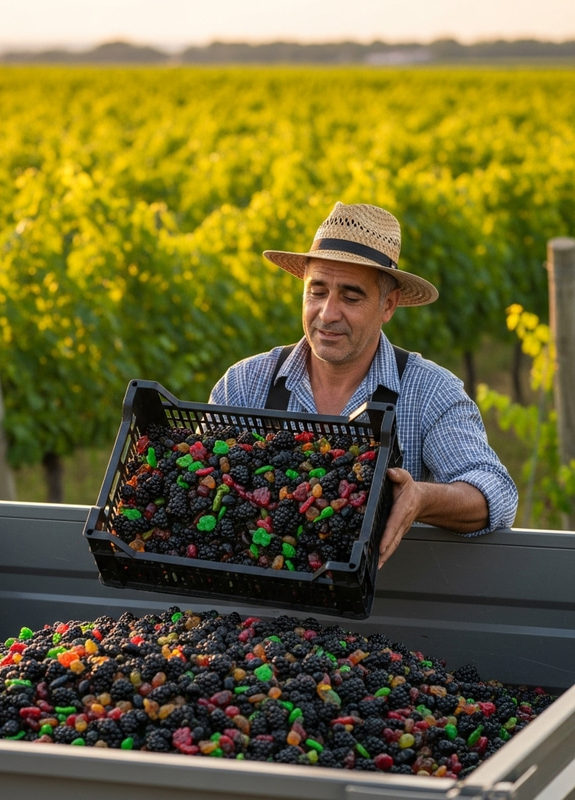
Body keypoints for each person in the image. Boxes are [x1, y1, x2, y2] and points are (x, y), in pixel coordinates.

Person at [209, 201, 518, 568]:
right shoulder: (244, 384)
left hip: (383, 607)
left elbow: (495, 492)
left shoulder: (429, 391)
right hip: (258, 606)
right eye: (317, 291)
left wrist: (420, 497)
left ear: (388, 306)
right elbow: (197, 484)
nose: (327, 313)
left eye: (351, 297)